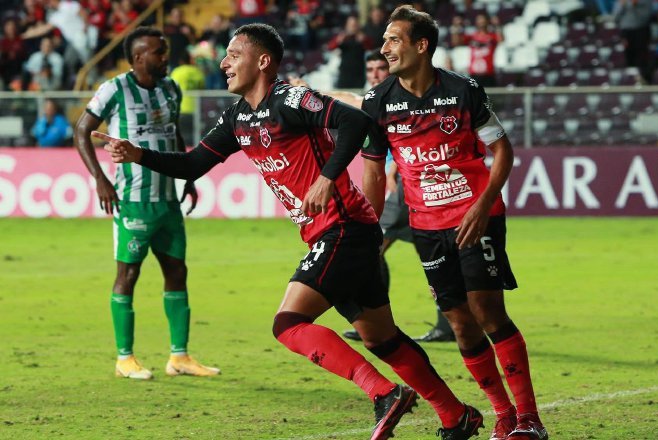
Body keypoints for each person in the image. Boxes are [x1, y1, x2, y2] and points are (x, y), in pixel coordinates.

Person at [99, 23, 483, 440]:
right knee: (382, 338)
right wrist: (138, 154)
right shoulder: (238, 116)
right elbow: (192, 165)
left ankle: (384, 393)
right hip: (339, 232)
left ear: (262, 61)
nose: (224, 63)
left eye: (233, 54)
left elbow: (355, 123)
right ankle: (455, 415)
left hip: (344, 228)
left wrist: (326, 179)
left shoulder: (291, 99)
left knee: (288, 323)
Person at [361, 6, 548, 440]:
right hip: (426, 225)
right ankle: (502, 415)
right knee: (459, 321)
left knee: (487, 311)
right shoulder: (378, 102)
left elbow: (503, 151)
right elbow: (372, 170)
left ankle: (530, 418)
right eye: (384, 40)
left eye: (393, 40)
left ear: (421, 45)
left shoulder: (463, 90)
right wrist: (372, 227)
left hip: (474, 217)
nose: (384, 48)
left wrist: (484, 204)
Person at [74, 27, 218, 380]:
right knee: (129, 273)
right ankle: (125, 358)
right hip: (133, 200)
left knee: (177, 271)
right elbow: (81, 130)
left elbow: (175, 133)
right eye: (158, 52)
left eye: (165, 50)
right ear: (138, 57)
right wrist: (100, 178)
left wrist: (189, 175)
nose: (165, 57)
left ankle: (179, 357)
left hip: (167, 199)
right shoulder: (115, 89)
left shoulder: (171, 88)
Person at [298, 51, 455, 343]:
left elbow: (402, 134)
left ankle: (373, 319)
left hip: (405, 190)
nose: (375, 73)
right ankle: (446, 322)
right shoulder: (379, 98)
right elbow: (351, 98)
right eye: (370, 68)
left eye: (381, 67)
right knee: (430, 253)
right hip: (405, 191)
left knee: (369, 247)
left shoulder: (399, 99)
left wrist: (311, 94)